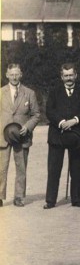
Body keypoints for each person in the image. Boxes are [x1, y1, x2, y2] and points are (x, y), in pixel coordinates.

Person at [44, 62, 80, 209]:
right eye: (66, 76)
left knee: (77, 168)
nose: (69, 78)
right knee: (54, 169)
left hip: (77, 136)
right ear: (61, 77)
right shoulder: (54, 91)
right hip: (57, 136)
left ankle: (76, 199)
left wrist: (74, 121)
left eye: (71, 75)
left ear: (76, 75)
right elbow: (49, 111)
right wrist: (61, 122)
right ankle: (50, 200)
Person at [0, 63, 40, 207]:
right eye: (12, 74)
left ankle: (19, 197)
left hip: (22, 136)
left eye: (17, 74)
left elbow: (36, 115)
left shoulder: (29, 93)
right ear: (6, 75)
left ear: (21, 74)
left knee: (21, 167)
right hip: (2, 137)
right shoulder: (1, 92)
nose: (14, 77)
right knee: (1, 168)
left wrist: (27, 127)